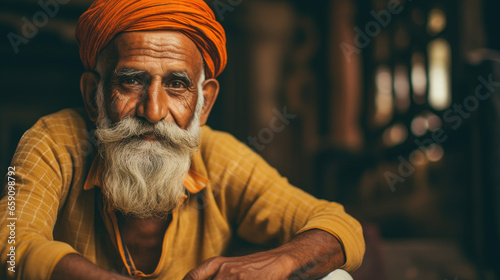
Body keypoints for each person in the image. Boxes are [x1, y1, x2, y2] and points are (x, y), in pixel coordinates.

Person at [0, 0, 365, 279]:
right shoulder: (52, 141)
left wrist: (280, 262)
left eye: (176, 85)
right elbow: (11, 244)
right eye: (131, 80)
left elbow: (340, 225)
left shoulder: (219, 156)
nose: (154, 110)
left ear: (204, 104)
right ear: (93, 94)